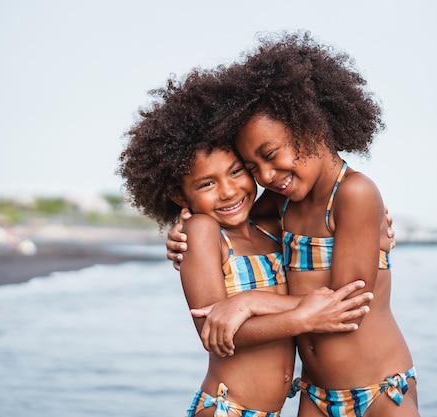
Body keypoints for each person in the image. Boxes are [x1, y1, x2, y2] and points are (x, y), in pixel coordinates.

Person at [166, 31, 419, 417]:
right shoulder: (283, 205)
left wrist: (247, 303)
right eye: (253, 167)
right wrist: (181, 228)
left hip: (379, 390)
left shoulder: (354, 194)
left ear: (312, 127)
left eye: (270, 155)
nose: (265, 176)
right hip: (313, 394)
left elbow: (347, 304)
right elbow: (232, 221)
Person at [118, 69, 375, 416]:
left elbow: (325, 213)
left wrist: (381, 229)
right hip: (227, 407)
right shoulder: (203, 232)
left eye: (238, 171)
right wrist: (303, 319)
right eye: (207, 184)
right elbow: (213, 332)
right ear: (181, 195)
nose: (228, 191)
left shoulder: (271, 228)